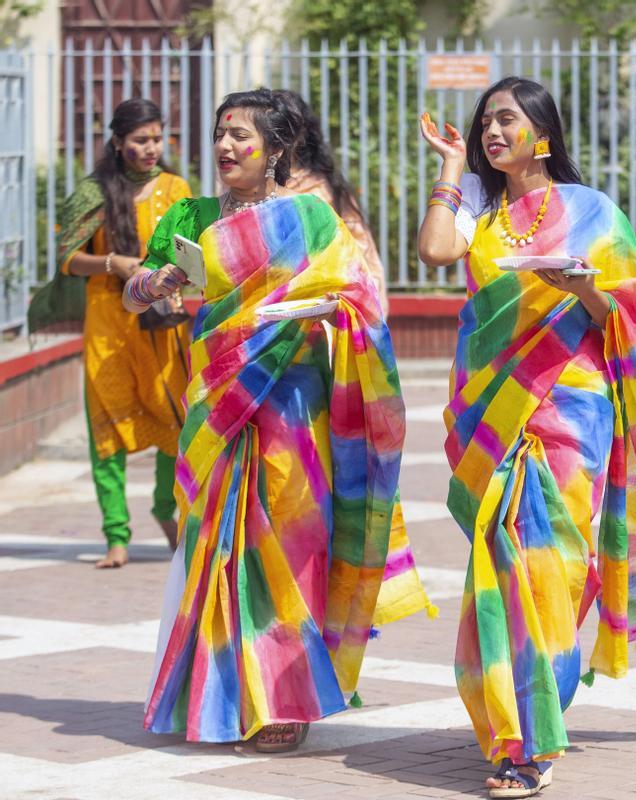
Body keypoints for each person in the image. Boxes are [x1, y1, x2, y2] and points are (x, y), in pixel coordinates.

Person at [418, 77, 636, 798]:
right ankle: (521, 720)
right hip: (491, 405)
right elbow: (436, 253)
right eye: (485, 123)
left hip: (570, 408)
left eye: (506, 120)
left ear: (542, 129)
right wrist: (451, 171)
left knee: (548, 567)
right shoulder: (482, 208)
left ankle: (531, 742)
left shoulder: (592, 212)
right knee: (505, 562)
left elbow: (629, 315)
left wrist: (582, 290)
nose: (492, 132)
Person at [127, 88, 432, 752]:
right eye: (220, 133)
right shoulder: (191, 214)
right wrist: (154, 284)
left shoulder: (312, 221)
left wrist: (330, 313)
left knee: (283, 545)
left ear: (278, 148)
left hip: (292, 400)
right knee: (217, 548)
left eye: (241, 136)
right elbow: (137, 290)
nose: (227, 147)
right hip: (216, 401)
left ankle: (284, 700)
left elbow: (361, 299)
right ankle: (224, 694)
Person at [33, 98, 190, 568]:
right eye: (141, 140)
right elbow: (66, 258)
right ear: (118, 142)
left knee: (173, 420)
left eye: (158, 139)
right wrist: (112, 263)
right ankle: (116, 535)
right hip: (108, 323)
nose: (151, 148)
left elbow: (193, 250)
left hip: (161, 321)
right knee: (107, 424)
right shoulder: (93, 192)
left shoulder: (177, 188)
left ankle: (166, 508)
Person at [275, 89, 388, 298]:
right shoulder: (241, 188)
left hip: (320, 308)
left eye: (284, 129)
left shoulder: (323, 189)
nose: (277, 137)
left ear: (302, 134)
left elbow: (362, 255)